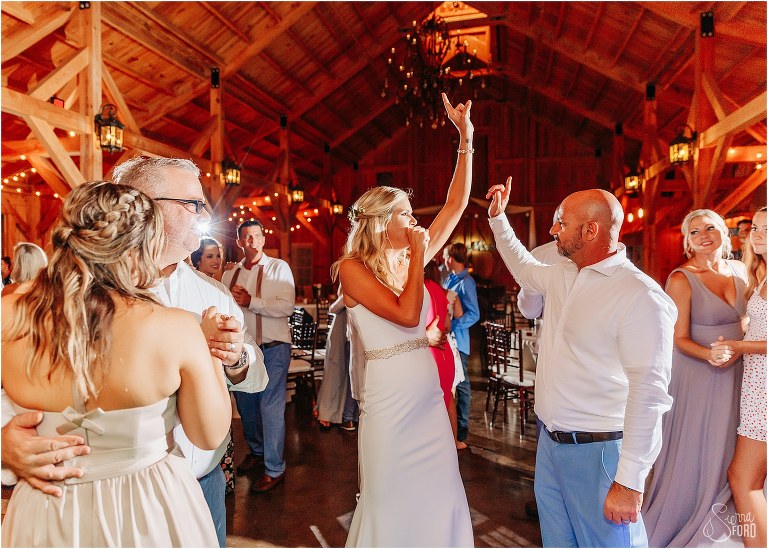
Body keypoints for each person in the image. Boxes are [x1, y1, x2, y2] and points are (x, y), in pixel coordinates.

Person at [1, 181, 230, 546]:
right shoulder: (174, 327)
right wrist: (209, 350)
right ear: (142, 247)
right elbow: (209, 434)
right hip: (149, 508)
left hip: (47, 509)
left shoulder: (7, 314)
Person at [487, 178, 676, 548]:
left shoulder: (640, 296)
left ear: (591, 230)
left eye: (562, 222)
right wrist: (498, 220)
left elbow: (649, 393)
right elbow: (524, 268)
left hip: (601, 453)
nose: (553, 229)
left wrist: (630, 481)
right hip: (550, 447)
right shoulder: (563, 273)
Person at [334, 93, 474, 547]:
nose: (416, 224)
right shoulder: (352, 268)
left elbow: (456, 203)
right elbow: (407, 312)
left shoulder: (410, 259)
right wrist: (418, 255)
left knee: (442, 495)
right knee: (392, 501)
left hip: (427, 400)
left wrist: (465, 139)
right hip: (388, 401)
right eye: (407, 216)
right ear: (379, 222)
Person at [642, 209, 747, 547]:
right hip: (697, 372)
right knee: (696, 448)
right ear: (687, 241)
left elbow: (747, 321)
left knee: (729, 445)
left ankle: (726, 521)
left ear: (724, 233)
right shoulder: (681, 278)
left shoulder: (741, 271)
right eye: (695, 231)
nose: (704, 235)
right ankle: (683, 517)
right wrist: (711, 355)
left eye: (710, 228)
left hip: (739, 372)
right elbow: (678, 338)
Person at [222, 219, 295, 493]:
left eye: (257, 236)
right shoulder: (230, 275)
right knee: (247, 407)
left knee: (270, 407)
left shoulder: (279, 268)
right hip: (244, 352)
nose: (252, 241)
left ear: (263, 239)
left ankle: (274, 468)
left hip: (274, 347)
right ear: (239, 242)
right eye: (247, 238)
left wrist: (251, 301)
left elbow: (287, 307)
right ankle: (257, 451)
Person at [722, 207, 767, 548]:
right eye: (755, 227)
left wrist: (740, 345)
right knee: (746, 480)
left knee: (743, 479)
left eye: (767, 228)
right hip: (755, 384)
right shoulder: (759, 274)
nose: (758, 233)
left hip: (764, 388)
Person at [442, 241, 479, 445]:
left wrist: (453, 325)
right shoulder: (450, 279)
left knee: (462, 385)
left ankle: (462, 432)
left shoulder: (467, 283)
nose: (444, 261)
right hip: (450, 339)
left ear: (451, 258)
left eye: (446, 257)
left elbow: (474, 314)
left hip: (460, 340)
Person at [425, 259, 465, 449]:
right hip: (445, 349)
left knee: (429, 404)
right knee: (447, 397)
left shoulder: (419, 290)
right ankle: (451, 443)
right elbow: (447, 325)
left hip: (429, 351)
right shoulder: (441, 292)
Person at [316, 290, 359, 432]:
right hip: (351, 335)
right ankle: (349, 417)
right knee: (351, 376)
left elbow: (333, 307)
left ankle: (348, 417)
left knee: (351, 377)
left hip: (352, 336)